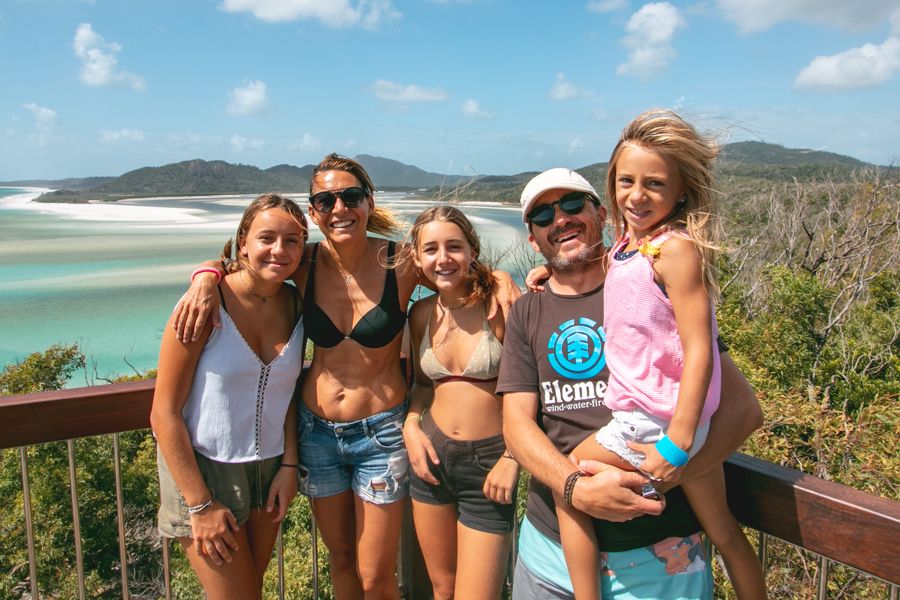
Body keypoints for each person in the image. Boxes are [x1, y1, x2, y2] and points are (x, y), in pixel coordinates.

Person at [173, 154, 519, 599]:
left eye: (350, 196)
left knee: (375, 576)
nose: (340, 208)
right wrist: (204, 276)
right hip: (317, 434)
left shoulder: (401, 261)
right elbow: (248, 263)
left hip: (382, 435)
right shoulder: (304, 261)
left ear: (368, 202)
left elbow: (455, 273)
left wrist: (503, 276)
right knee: (340, 561)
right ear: (314, 211)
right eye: (326, 200)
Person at [499, 165, 764, 599]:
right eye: (543, 216)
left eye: (571, 205)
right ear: (533, 239)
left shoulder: (650, 284)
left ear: (601, 214)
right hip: (547, 556)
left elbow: (742, 410)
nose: (560, 219)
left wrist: (666, 474)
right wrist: (575, 488)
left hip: (661, 561)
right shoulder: (529, 310)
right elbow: (517, 425)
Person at [150, 193, 307, 600]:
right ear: (243, 242)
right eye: (266, 238)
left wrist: (289, 464)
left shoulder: (295, 302)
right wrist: (199, 504)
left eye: (293, 240)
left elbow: (288, 394)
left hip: (269, 469)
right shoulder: (204, 307)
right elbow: (163, 414)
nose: (279, 250)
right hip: (204, 472)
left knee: (251, 588)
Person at [401, 206, 519, 600]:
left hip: (490, 464)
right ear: (417, 259)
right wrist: (411, 426)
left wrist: (514, 457)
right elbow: (421, 385)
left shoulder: (497, 307)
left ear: (472, 250)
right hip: (431, 459)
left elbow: (529, 388)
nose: (443, 258)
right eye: (430, 249)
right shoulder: (420, 315)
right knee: (443, 589)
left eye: (454, 246)